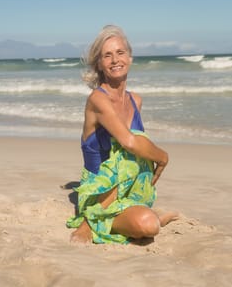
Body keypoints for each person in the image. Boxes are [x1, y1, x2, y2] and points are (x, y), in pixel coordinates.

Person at [66, 25, 178, 244]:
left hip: (131, 189)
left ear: (130, 57)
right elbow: (128, 142)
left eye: (120, 52)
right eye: (107, 55)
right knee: (148, 224)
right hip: (101, 192)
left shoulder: (136, 100)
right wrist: (163, 157)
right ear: (99, 64)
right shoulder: (98, 100)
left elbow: (138, 145)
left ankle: (147, 214)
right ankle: (91, 221)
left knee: (149, 225)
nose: (115, 59)